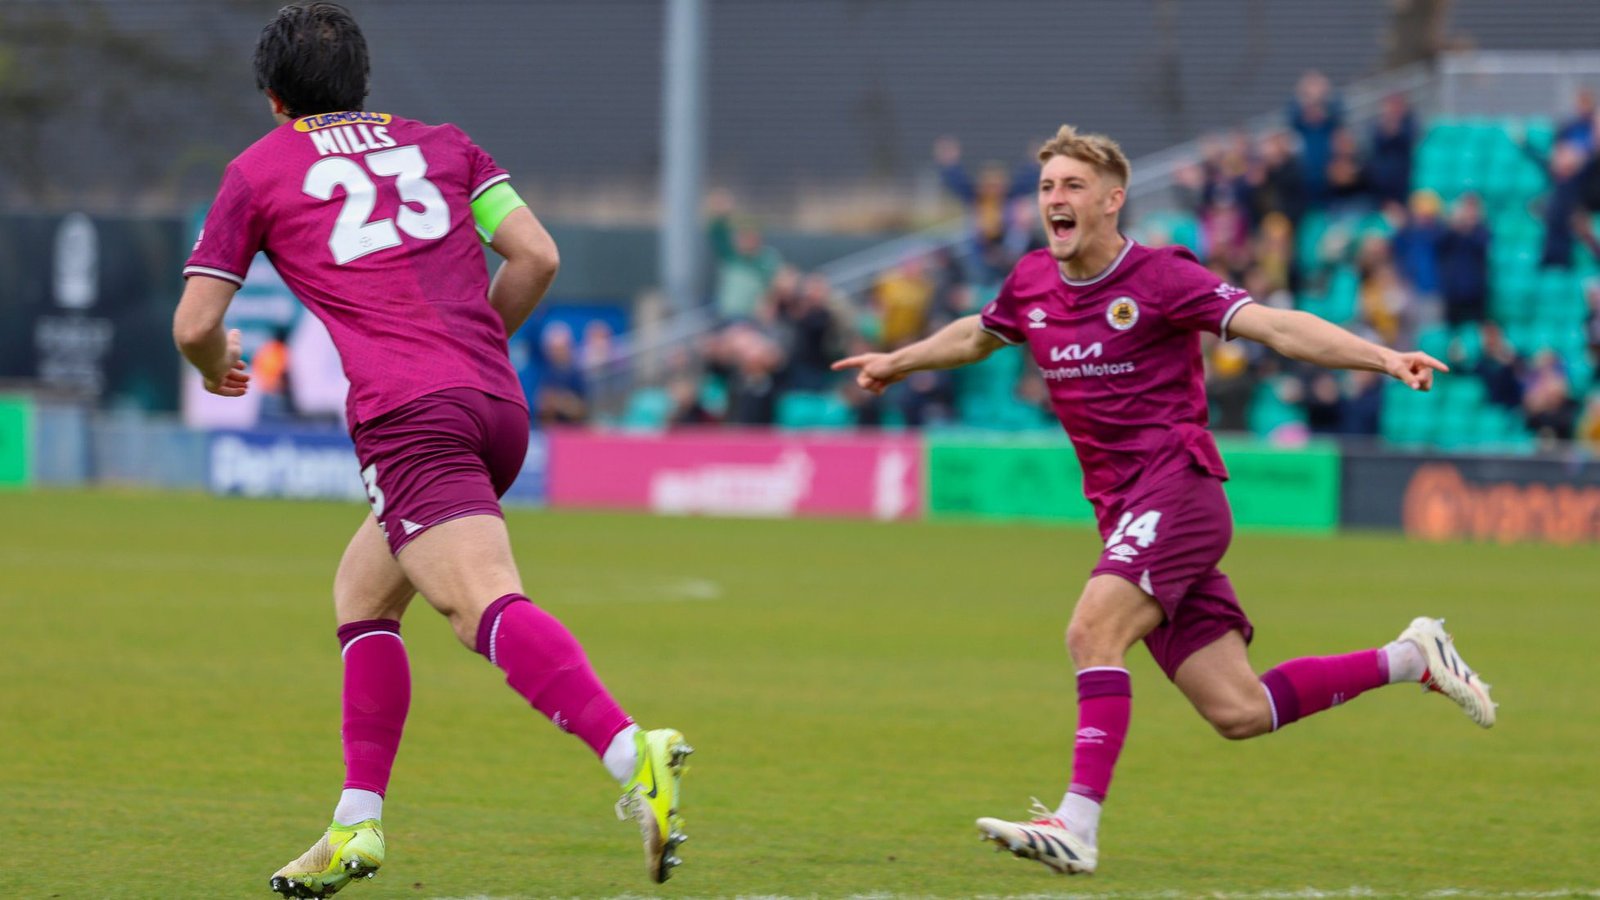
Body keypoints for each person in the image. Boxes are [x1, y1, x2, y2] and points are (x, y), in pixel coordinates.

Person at [833, 123, 1495, 877]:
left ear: (1113, 202)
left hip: (1179, 488)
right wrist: (897, 362)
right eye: (1048, 186)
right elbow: (979, 337)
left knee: (1091, 632)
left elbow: (1275, 326)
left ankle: (1077, 824)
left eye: (1073, 186)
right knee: (1239, 711)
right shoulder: (1031, 283)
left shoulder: (1161, 277)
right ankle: (1411, 657)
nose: (1056, 198)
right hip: (1124, 512)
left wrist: (1382, 356)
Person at [171, 6, 692, 896]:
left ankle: (628, 750)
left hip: (411, 415)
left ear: (272, 97)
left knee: (480, 604)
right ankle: (355, 824)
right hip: (494, 404)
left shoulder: (258, 171)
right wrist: (471, 349)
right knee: (362, 595)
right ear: (362, 83)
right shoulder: (448, 146)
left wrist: (216, 364)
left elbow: (195, 323)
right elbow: (535, 256)